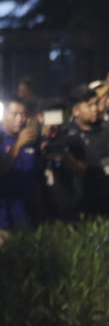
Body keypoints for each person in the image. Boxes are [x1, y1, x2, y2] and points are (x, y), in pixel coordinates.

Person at [60, 84, 109, 218]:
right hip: (88, 205)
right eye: (89, 106)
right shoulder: (68, 136)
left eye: (96, 104)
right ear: (76, 111)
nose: (95, 109)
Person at [0, 98, 42, 231]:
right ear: (5, 114)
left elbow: (35, 177)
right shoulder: (2, 138)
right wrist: (18, 144)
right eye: (15, 114)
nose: (20, 119)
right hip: (4, 218)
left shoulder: (30, 138)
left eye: (23, 114)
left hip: (27, 216)